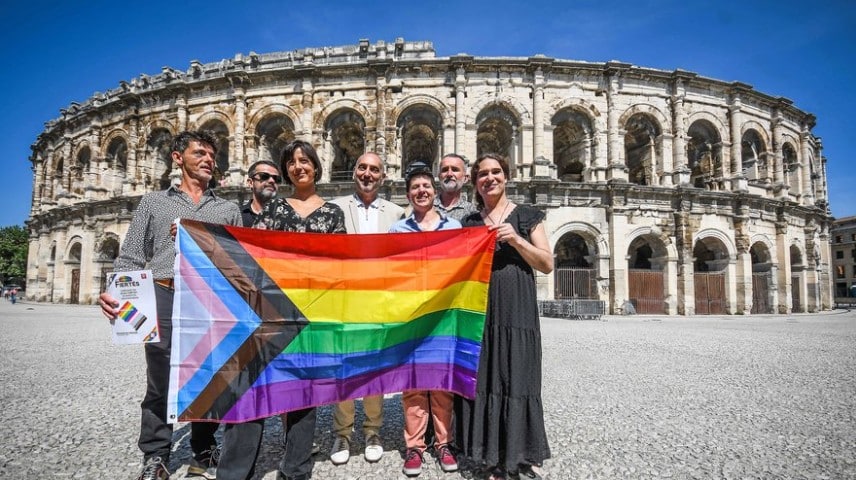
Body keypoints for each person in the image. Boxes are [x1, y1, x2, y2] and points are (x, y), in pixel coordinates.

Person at [98, 130, 242, 480]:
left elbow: (238, 262)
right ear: (177, 157)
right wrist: (115, 292)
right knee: (160, 377)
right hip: (162, 292)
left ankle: (204, 447)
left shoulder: (227, 208)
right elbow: (131, 255)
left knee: (208, 375)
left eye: (212, 154)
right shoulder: (153, 202)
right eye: (200, 153)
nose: (209, 159)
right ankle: (156, 453)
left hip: (208, 297)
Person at [226, 139, 345, 480]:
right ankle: (238, 470)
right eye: (292, 162)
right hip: (273, 309)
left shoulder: (333, 213)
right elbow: (255, 252)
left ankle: (296, 468)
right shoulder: (275, 209)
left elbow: (341, 265)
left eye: (305, 160)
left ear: (316, 166)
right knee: (255, 386)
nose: (299, 166)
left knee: (303, 391)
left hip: (313, 312)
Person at [455, 153, 553, 480]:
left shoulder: (526, 216)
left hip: (517, 308)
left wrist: (516, 240)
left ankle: (519, 453)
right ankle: (488, 454)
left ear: (506, 177)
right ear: (475, 183)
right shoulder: (469, 223)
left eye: (496, 172)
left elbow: (547, 263)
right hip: (481, 309)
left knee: (517, 375)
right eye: (482, 174)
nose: (489, 178)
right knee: (485, 376)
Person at [329, 152, 405, 465]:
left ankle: (373, 429)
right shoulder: (335, 207)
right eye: (362, 167)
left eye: (374, 169)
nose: (368, 174)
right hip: (346, 299)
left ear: (383, 176)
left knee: (375, 366)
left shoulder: (397, 213)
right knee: (344, 367)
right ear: (354, 172)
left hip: (379, 300)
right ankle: (342, 431)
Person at [389, 162, 460, 477]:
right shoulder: (397, 231)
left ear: (435, 191)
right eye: (415, 188)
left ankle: (444, 443)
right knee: (414, 385)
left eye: (426, 187)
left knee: (442, 383)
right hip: (412, 316)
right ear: (408, 195)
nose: (421, 191)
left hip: (444, 315)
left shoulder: (454, 228)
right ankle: (415, 446)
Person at [434, 153, 477, 221]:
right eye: (445, 170)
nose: (449, 174)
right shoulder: (424, 209)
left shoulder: (473, 213)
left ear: (465, 178)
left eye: (455, 169)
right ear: (439, 177)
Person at [240, 160, 281, 226]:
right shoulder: (236, 215)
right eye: (264, 176)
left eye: (276, 178)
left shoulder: (289, 217)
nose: (272, 181)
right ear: (250, 183)